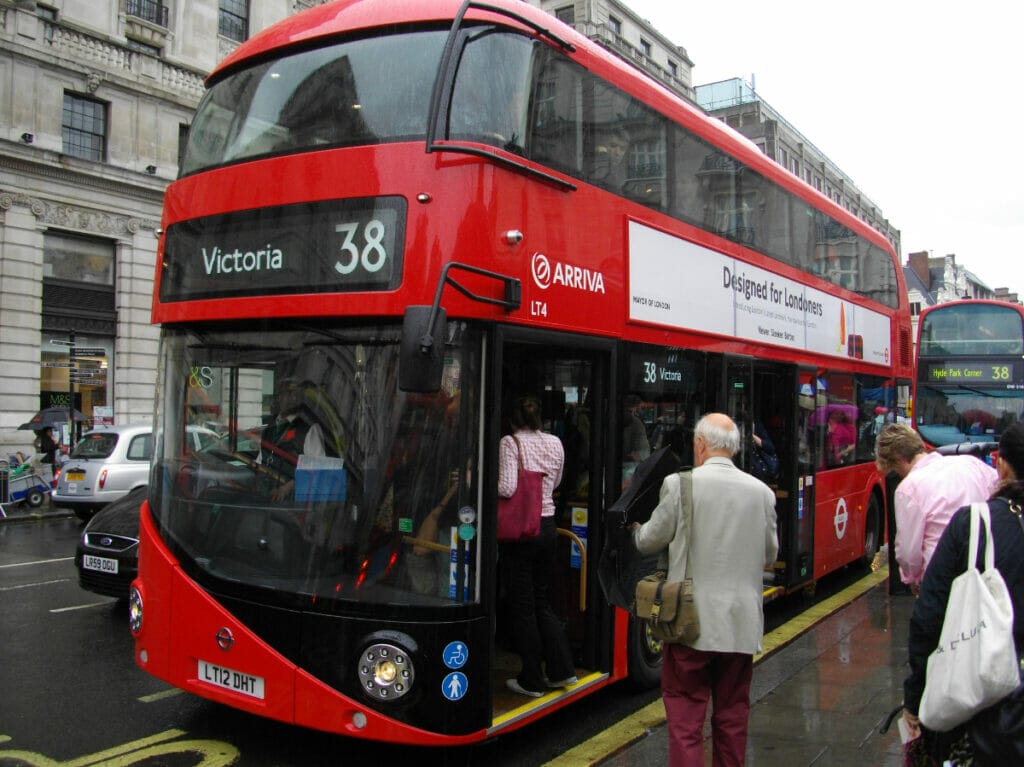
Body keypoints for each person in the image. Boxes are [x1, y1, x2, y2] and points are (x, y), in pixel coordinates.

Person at [631, 413, 778, 767]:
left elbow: (650, 540)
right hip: (740, 625)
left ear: (700, 445)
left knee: (685, 717)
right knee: (732, 715)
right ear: (735, 449)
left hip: (689, 624)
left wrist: (635, 532)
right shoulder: (762, 493)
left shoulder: (679, 485)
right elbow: (770, 555)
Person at [902, 420, 1024, 765]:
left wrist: (916, 696)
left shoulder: (974, 523)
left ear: (1001, 464)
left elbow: (929, 617)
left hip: (986, 698)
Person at [498, 395, 576, 697]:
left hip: (521, 530)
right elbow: (555, 483)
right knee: (542, 601)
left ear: (513, 419)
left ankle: (532, 678)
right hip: (547, 526)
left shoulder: (510, 443)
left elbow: (506, 487)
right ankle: (562, 670)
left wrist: (475, 478)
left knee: (523, 606)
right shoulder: (555, 442)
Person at [875, 423, 999, 592]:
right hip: (986, 568)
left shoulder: (909, 488)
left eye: (895, 470)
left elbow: (908, 553)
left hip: (941, 579)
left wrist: (913, 579)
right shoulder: (971, 464)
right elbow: (999, 494)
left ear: (899, 460)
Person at [260, 377, 326, 502]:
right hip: (265, 496)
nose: (294, 398)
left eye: (296, 394)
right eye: (288, 393)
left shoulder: (309, 428)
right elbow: (260, 459)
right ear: (278, 397)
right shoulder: (269, 426)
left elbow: (319, 469)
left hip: (292, 504)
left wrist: (287, 488)